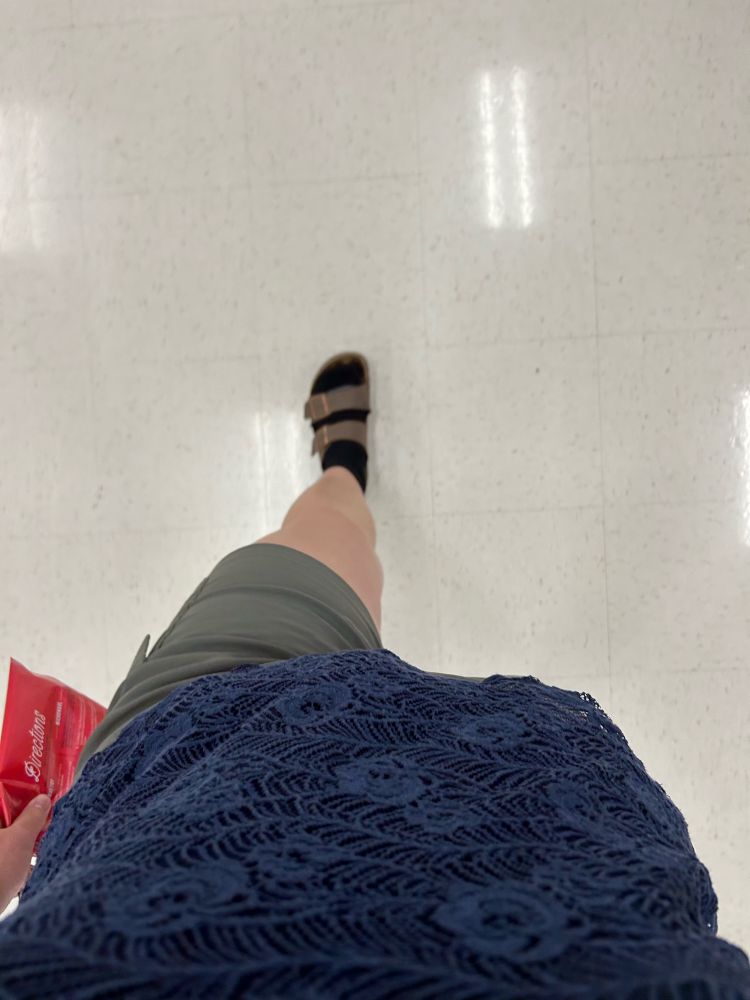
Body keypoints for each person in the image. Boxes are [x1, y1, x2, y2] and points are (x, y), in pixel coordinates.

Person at [0, 352, 748, 999]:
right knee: (328, 543)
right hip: (264, 748)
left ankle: (340, 474)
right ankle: (341, 474)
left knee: (317, 551)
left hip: (180, 787)